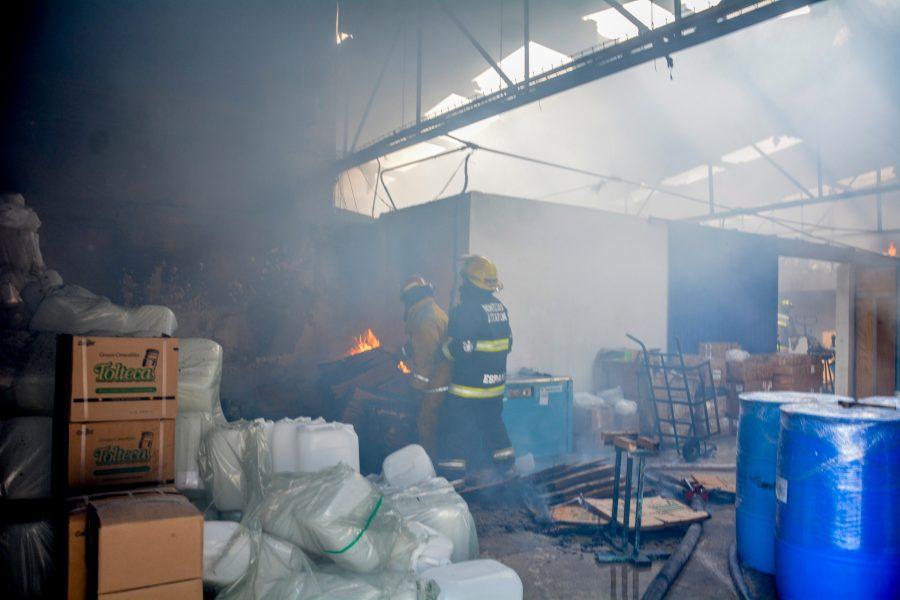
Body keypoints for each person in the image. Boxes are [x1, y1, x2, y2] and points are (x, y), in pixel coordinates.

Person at [436, 255, 514, 483]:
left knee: (454, 428)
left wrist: (441, 352)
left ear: (469, 282)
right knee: (493, 426)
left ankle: (452, 477)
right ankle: (506, 468)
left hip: (467, 388)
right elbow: (508, 344)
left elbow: (459, 348)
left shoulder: (465, 311)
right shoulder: (500, 308)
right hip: (495, 386)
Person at [400, 275, 451, 456]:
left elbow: (426, 361)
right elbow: (427, 345)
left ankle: (431, 470)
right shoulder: (431, 311)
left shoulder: (424, 319)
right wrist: (405, 351)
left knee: (426, 424)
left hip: (437, 383)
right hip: (443, 379)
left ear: (410, 298)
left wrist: (414, 390)